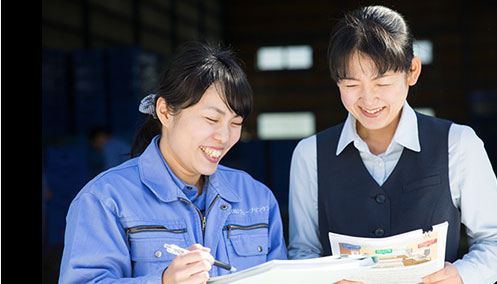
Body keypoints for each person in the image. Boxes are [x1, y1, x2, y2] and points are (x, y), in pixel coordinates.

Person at [287, 5, 497, 284]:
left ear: (412, 71)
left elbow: (493, 239)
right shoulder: (309, 155)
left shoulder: (458, 144)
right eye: (351, 85)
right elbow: (302, 251)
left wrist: (461, 275)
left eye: (382, 82)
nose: (368, 99)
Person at [58, 41, 287, 284]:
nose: (224, 137)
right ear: (165, 111)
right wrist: (163, 281)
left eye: (236, 123)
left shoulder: (257, 198)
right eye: (211, 119)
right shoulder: (105, 199)